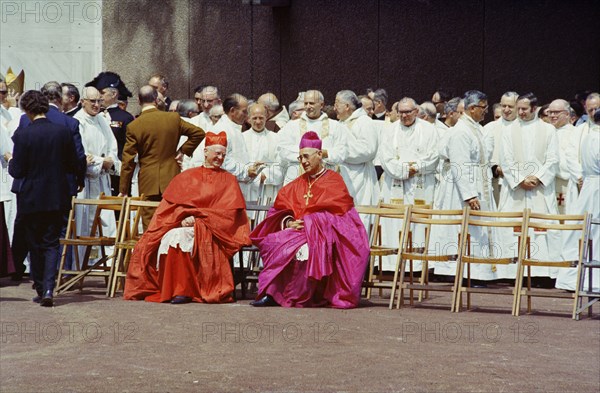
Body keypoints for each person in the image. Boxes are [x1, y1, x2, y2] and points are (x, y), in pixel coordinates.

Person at [124, 132, 251, 304]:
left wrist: (199, 221)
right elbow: (170, 209)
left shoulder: (229, 180)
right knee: (171, 236)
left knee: (182, 236)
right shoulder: (187, 176)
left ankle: (185, 290)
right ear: (205, 152)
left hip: (213, 231)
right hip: (184, 225)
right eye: (216, 153)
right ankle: (177, 289)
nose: (220, 158)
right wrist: (182, 218)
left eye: (223, 154)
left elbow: (228, 216)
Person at [249, 132, 369, 308]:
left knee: (302, 247)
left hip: (324, 235)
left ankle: (296, 295)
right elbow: (279, 210)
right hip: (297, 231)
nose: (303, 161)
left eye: (306, 156)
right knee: (273, 241)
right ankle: (272, 292)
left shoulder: (334, 181)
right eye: (300, 157)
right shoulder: (296, 183)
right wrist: (289, 222)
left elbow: (343, 218)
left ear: (319, 155)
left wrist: (312, 222)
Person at [8, 90, 80, 306]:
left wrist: (11, 161)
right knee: (51, 243)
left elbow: (17, 170)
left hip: (31, 196)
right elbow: (73, 164)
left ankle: (41, 286)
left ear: (27, 110)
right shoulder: (62, 132)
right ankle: (49, 287)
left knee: (34, 243)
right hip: (56, 195)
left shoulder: (23, 134)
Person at [431, 90, 497, 285]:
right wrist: (469, 195)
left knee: (476, 230)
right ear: (471, 108)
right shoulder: (461, 131)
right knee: (464, 229)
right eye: (483, 108)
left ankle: (478, 270)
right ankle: (463, 271)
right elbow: (460, 164)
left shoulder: (475, 128)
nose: (485, 112)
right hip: (463, 189)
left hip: (477, 181)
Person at [119, 85, 205, 229]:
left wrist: (123, 189)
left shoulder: (134, 126)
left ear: (139, 101)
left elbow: (128, 160)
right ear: (156, 100)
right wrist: (182, 151)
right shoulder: (173, 118)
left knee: (150, 224)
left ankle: (152, 251)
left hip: (148, 179)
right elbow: (198, 133)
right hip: (171, 176)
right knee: (172, 220)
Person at [497, 92, 560, 282]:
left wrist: (538, 177)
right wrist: (520, 180)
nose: (520, 113)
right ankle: (512, 272)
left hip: (539, 190)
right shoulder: (508, 130)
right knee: (513, 228)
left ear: (535, 108)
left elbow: (553, 159)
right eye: (519, 109)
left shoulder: (548, 130)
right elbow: (505, 160)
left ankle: (542, 273)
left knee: (541, 228)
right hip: (516, 189)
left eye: (524, 109)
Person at [379, 97, 438, 272]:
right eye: (401, 112)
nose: (404, 115)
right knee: (395, 222)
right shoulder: (389, 131)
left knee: (419, 222)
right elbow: (385, 158)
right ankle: (392, 264)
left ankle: (419, 264)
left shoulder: (429, 130)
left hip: (420, 183)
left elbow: (434, 156)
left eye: (408, 112)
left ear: (416, 112)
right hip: (396, 183)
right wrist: (405, 170)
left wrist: (416, 167)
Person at [556, 110, 600, 291]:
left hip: (589, 186)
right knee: (596, 234)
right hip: (596, 185)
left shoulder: (588, 136)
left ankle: (577, 279)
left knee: (587, 232)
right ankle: (595, 281)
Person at [277, 90, 348, 184]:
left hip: (326, 177)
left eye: (311, 103)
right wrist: (308, 155)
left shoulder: (335, 126)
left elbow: (342, 152)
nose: (308, 107)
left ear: (321, 105)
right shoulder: (291, 126)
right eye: (305, 103)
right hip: (297, 176)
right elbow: (282, 150)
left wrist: (325, 153)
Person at [334, 90, 379, 214]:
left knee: (359, 215)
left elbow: (368, 150)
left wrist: (340, 153)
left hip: (360, 177)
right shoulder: (340, 123)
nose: (334, 108)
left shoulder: (364, 121)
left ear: (347, 106)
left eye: (337, 104)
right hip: (342, 175)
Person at [242, 103, 283, 203]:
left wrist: (265, 174)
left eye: (261, 118)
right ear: (248, 118)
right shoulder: (242, 138)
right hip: (247, 187)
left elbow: (281, 164)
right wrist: (248, 171)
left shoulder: (276, 138)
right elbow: (236, 161)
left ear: (267, 117)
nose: (258, 121)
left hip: (267, 188)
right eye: (254, 118)